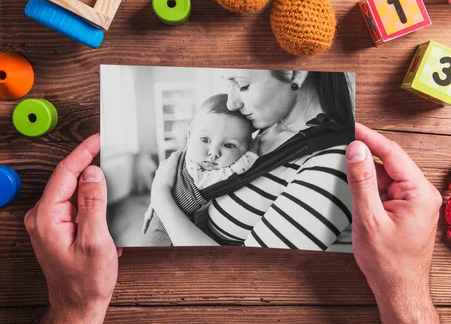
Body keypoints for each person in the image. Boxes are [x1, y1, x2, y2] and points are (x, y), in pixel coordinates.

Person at [24, 124, 442, 323]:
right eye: (204, 139)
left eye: (241, 88)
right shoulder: (185, 159)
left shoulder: (257, 163)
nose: (212, 150)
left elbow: (233, 171)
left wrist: (75, 308)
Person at [150, 70, 355, 250]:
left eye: (242, 85)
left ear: (296, 74)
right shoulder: (266, 129)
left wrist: (161, 198)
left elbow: (246, 276)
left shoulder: (334, 164)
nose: (231, 103)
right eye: (228, 84)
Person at [142, 93, 259, 246]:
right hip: (164, 240)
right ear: (189, 136)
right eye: (205, 140)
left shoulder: (181, 157)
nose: (214, 152)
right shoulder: (198, 176)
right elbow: (233, 174)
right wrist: (252, 153)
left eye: (229, 145)